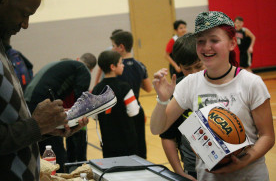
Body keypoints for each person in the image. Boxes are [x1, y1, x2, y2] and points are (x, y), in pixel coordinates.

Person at [0, 0, 88, 180]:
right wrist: (36, 125)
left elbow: (3, 123)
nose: (25, 25)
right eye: (25, 14)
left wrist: (46, 128)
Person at [150, 11, 275, 181]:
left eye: (214, 40)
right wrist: (163, 100)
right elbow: (157, 128)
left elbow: (267, 136)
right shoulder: (189, 84)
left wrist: (242, 161)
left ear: (232, 43)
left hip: (250, 176)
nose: (206, 47)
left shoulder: (251, 83)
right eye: (200, 41)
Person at [24, 53, 97, 172]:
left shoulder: (64, 65)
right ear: (92, 69)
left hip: (30, 104)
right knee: (56, 156)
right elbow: (81, 103)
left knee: (45, 154)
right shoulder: (83, 70)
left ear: (79, 59)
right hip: (44, 105)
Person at [160, 33, 204, 181]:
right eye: (187, 69)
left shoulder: (222, 83)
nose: (194, 74)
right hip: (193, 170)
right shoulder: (177, 90)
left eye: (199, 66)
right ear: (179, 67)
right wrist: (179, 172)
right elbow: (167, 135)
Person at [111, 31, 152, 159]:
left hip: (122, 113)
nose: (112, 49)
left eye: (113, 46)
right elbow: (148, 88)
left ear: (121, 47)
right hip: (138, 109)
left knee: (125, 150)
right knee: (140, 147)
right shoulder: (140, 66)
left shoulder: (116, 68)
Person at [92, 50, 140, 157]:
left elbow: (94, 116)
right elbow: (133, 111)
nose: (123, 65)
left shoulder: (96, 89)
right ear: (112, 67)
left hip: (108, 143)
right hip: (127, 141)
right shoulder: (124, 87)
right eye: (120, 63)